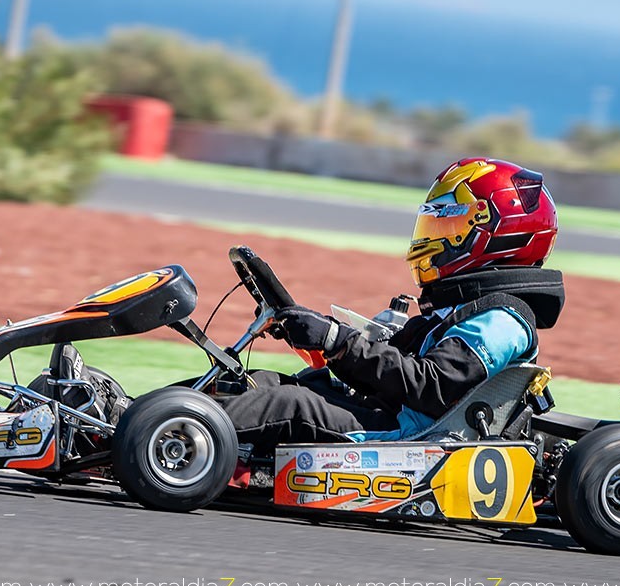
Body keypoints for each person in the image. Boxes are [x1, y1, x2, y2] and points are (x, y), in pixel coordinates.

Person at [221, 158, 566, 460]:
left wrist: (339, 340)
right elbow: (387, 372)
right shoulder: (461, 308)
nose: (434, 236)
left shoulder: (501, 320)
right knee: (260, 382)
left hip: (413, 439)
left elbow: (432, 387)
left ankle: (180, 432)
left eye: (449, 225)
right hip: (389, 411)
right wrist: (323, 336)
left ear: (495, 234)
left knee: (290, 405)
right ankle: (179, 416)